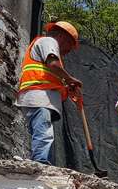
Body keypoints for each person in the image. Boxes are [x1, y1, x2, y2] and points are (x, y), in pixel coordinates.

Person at [15, 21, 82, 165]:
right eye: (70, 46)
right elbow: (53, 65)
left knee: (41, 130)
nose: (68, 51)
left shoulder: (46, 46)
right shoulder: (49, 41)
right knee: (44, 132)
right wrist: (69, 79)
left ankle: (39, 160)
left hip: (38, 95)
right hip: (39, 95)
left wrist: (67, 86)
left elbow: (51, 74)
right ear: (62, 37)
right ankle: (40, 162)